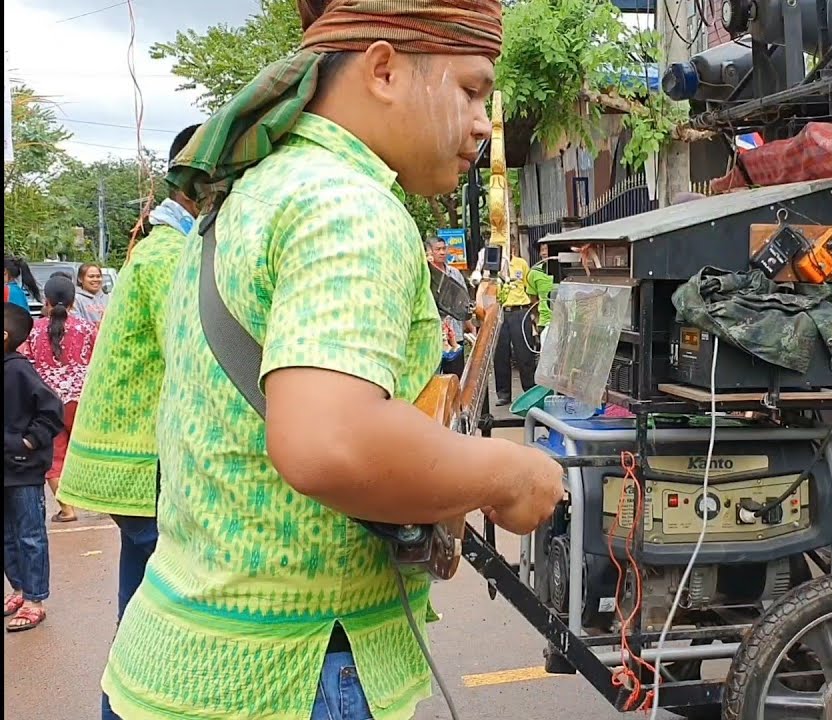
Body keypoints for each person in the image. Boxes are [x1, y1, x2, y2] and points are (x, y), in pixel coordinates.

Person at [98, 2, 565, 718]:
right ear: (382, 69)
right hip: (295, 675)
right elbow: (331, 443)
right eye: (471, 90)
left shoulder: (250, 192)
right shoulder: (347, 206)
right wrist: (512, 472)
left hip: (179, 660)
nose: (481, 123)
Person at [53, 123, 200, 720]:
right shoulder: (172, 256)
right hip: (146, 462)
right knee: (160, 614)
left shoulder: (163, 247)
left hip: (140, 463)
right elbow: (202, 352)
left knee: (141, 597)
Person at [3, 302, 65, 632]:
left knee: (29, 535)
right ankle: (19, 589)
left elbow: (51, 410)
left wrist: (28, 442)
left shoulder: (18, 370)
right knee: (8, 536)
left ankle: (35, 599)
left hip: (23, 470)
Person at [23, 276, 97, 523]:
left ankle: (67, 509)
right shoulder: (87, 329)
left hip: (48, 404)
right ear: (74, 301)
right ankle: (98, 501)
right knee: (88, 452)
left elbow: (28, 366)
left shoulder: (33, 331)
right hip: (82, 402)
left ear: (47, 300)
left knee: (55, 457)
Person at [493, 254, 554, 405]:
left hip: (520, 311)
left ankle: (530, 391)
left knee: (524, 354)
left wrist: (532, 315)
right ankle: (503, 394)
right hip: (500, 312)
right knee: (500, 355)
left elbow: (530, 289)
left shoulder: (521, 264)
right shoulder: (493, 266)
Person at [427, 236, 475, 377]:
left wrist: (470, 327)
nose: (442, 252)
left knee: (456, 376)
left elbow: (463, 303)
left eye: (444, 249)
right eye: (438, 249)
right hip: (433, 335)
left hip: (455, 333)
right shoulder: (424, 274)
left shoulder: (455, 273)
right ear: (429, 252)